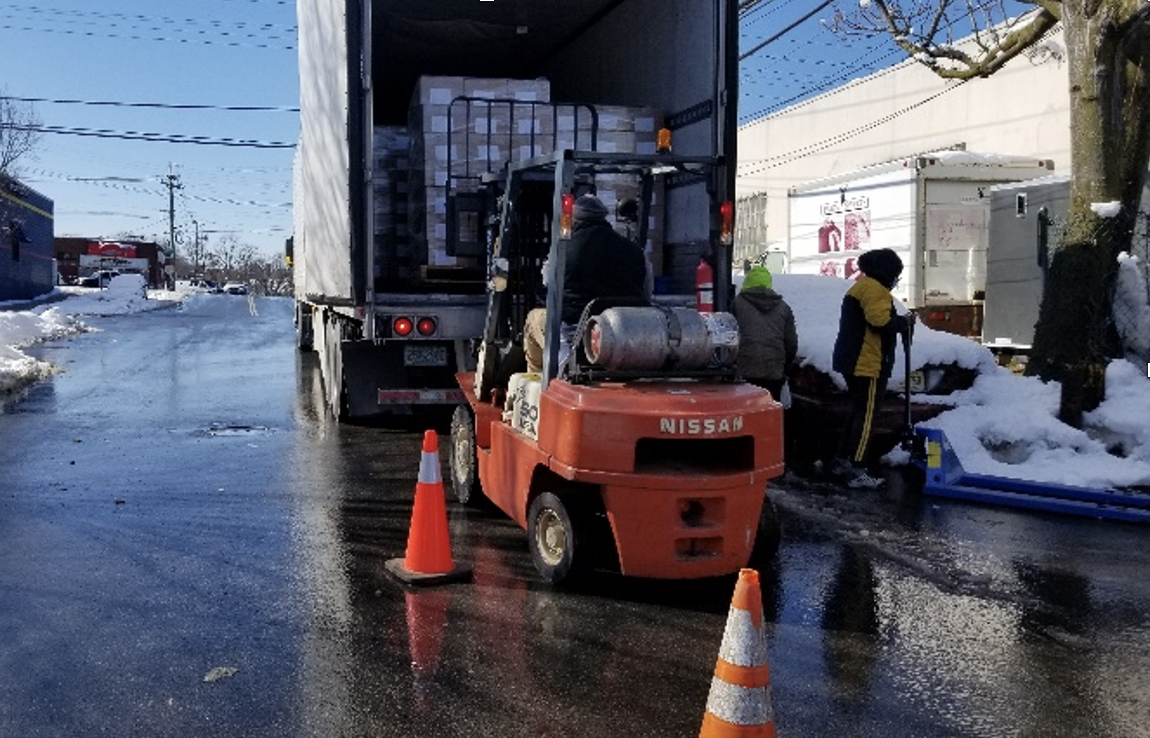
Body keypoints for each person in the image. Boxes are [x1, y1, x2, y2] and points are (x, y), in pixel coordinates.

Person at [523, 194, 649, 373]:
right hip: (626, 334)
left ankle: (538, 382)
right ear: (603, 216)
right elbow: (646, 292)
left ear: (573, 219)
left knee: (534, 318)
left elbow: (548, 284)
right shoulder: (636, 251)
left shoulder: (562, 251)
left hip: (576, 336)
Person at [830, 247, 915, 489]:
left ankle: (841, 460)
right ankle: (857, 468)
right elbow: (881, 322)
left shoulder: (861, 286)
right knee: (867, 417)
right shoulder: (875, 290)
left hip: (854, 360)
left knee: (857, 413)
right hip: (867, 362)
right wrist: (904, 322)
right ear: (886, 271)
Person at [732, 266, 797, 401]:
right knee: (770, 411)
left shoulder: (736, 304)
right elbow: (791, 343)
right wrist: (784, 369)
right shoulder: (784, 308)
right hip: (773, 371)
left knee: (746, 411)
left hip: (743, 370)